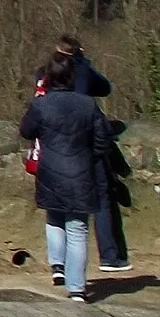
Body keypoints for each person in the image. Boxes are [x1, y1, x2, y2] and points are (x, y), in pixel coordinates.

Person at [20, 54, 116, 303]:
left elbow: (26, 130)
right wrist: (89, 156)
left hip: (50, 169)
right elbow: (103, 137)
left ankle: (57, 265)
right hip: (81, 170)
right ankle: (77, 288)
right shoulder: (87, 104)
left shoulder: (42, 104)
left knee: (54, 217)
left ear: (48, 77)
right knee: (78, 229)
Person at [48, 35, 131, 272]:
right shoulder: (82, 71)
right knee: (102, 198)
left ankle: (58, 264)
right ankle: (110, 255)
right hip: (88, 140)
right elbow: (104, 88)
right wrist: (83, 62)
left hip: (57, 144)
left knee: (58, 206)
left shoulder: (45, 74)